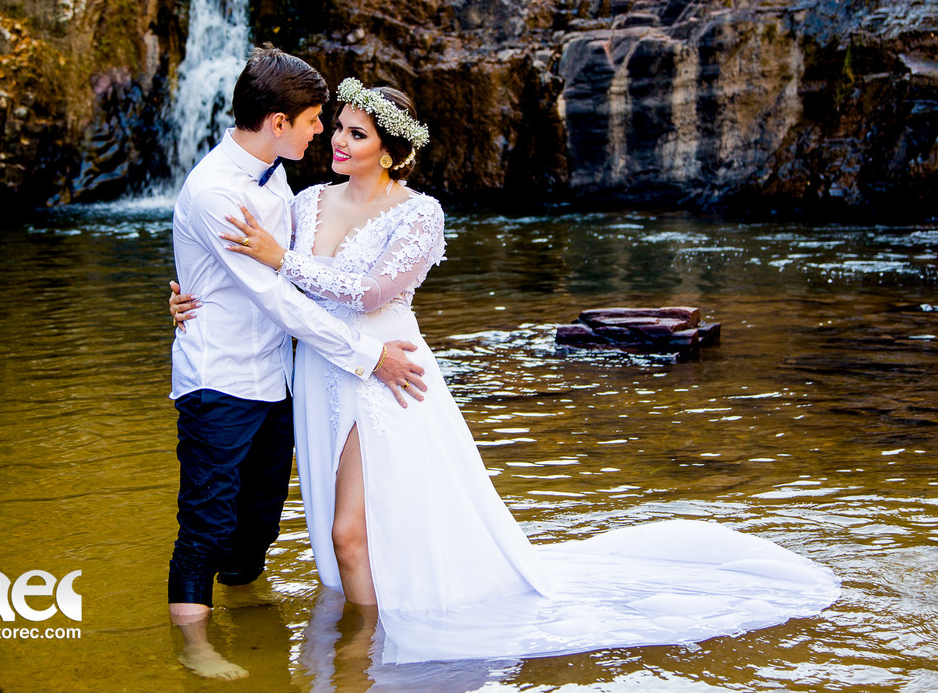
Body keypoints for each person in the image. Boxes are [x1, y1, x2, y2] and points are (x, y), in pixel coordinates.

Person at [171, 78, 840, 665]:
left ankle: (363, 648)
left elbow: (371, 292)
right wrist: (189, 300)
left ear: (391, 147)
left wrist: (280, 260)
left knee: (353, 532)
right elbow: (250, 273)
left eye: (355, 132)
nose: (337, 142)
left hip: (388, 369)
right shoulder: (306, 200)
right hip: (320, 368)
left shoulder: (420, 214)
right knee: (349, 530)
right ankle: (365, 624)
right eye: (336, 129)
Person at [166, 48, 427, 680]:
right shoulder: (215, 194)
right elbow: (279, 296)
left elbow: (310, 276)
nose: (324, 134)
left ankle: (245, 611)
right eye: (317, 120)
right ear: (278, 122)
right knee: (206, 520)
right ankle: (194, 651)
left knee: (255, 528)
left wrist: (183, 287)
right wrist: (370, 357)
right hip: (220, 381)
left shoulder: (280, 178)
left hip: (280, 381)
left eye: (341, 127)